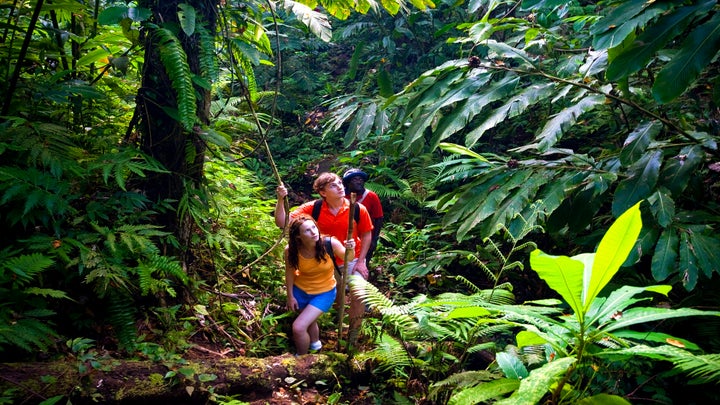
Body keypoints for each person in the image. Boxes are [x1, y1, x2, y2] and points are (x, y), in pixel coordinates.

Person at [275, 172, 373, 345]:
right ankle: (331, 329)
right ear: (322, 192)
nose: (340, 187)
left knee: (359, 294)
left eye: (340, 184)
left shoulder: (357, 208)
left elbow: (366, 235)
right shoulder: (314, 208)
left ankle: (352, 337)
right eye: (333, 186)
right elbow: (283, 223)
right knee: (337, 298)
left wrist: (361, 261)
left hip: (351, 259)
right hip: (326, 262)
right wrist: (281, 200)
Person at [284, 215, 354, 355]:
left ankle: (301, 360)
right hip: (301, 290)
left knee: (298, 327)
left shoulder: (329, 244)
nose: (314, 232)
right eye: (307, 231)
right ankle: (316, 345)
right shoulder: (291, 250)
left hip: (324, 292)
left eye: (314, 227)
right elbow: (290, 272)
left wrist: (350, 248)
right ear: (298, 236)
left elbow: (348, 257)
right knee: (308, 321)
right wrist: (290, 295)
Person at [342, 168, 384, 267]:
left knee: (363, 263)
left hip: (365, 236)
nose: (359, 182)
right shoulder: (341, 196)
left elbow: (379, 218)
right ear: (348, 183)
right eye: (355, 179)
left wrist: (374, 239)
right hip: (345, 236)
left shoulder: (371, 196)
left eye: (361, 179)